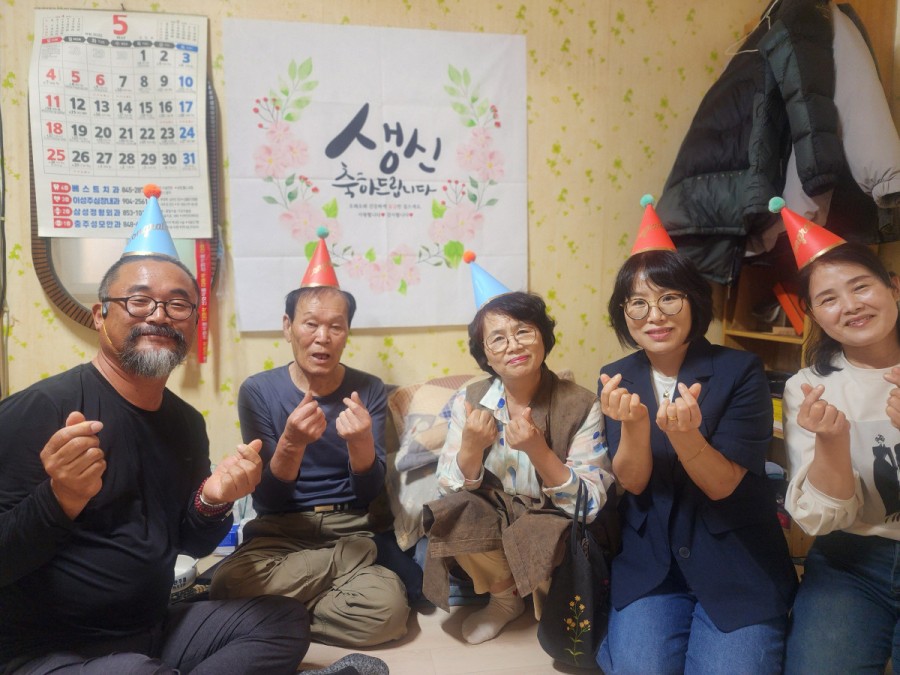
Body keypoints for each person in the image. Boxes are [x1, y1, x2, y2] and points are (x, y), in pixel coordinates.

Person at [0, 186, 309, 674]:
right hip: (49, 649)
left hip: (151, 629)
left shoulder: (186, 423)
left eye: (178, 305)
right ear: (100, 314)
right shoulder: (40, 410)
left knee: (284, 621)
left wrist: (214, 498)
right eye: (138, 301)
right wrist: (59, 499)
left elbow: (191, 544)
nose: (159, 315)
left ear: (192, 322)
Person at [596, 196, 797, 674]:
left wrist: (687, 439)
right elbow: (633, 482)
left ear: (693, 301)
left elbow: (724, 485)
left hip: (738, 561)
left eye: (669, 297)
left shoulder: (741, 370)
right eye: (638, 303)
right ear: (624, 313)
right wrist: (635, 427)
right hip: (652, 565)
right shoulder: (617, 375)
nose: (654, 315)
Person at [209, 229, 409, 648]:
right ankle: (345, 572)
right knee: (227, 583)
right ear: (288, 327)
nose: (323, 337)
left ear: (347, 332)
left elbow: (368, 492)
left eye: (336, 326)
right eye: (311, 324)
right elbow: (269, 499)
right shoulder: (258, 390)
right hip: (282, 531)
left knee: (388, 615)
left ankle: (273, 615)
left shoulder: (368, 389)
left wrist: (360, 444)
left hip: (351, 527)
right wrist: (292, 443)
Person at [423, 253, 615, 645]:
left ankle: (548, 594)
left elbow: (590, 505)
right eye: (498, 338)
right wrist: (470, 448)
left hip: (552, 519)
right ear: (485, 355)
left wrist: (538, 450)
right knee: (452, 512)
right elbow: (447, 487)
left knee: (563, 632)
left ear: (543, 337)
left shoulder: (581, 404)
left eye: (524, 331)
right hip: (494, 513)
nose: (513, 345)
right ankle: (504, 598)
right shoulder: (469, 400)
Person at [771, 198, 900, 674]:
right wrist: (831, 443)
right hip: (852, 561)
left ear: (893, 287)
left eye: (861, 286)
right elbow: (820, 521)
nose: (850, 306)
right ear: (814, 315)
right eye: (828, 299)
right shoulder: (809, 388)